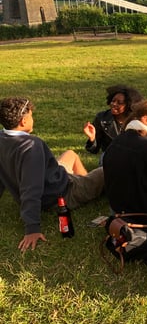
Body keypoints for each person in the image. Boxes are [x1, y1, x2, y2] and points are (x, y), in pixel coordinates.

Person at [0, 97, 104, 252]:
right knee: (107, 170)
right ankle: (87, 188)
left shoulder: (2, 138)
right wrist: (32, 228)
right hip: (62, 194)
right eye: (31, 115)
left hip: (55, 177)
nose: (32, 119)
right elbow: (31, 188)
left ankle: (87, 182)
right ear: (23, 121)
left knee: (70, 154)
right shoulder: (31, 145)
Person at [83, 84, 143, 160]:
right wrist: (92, 138)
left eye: (119, 103)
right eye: (113, 101)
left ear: (129, 105)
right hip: (110, 155)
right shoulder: (102, 118)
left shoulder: (137, 121)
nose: (114, 104)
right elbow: (94, 150)